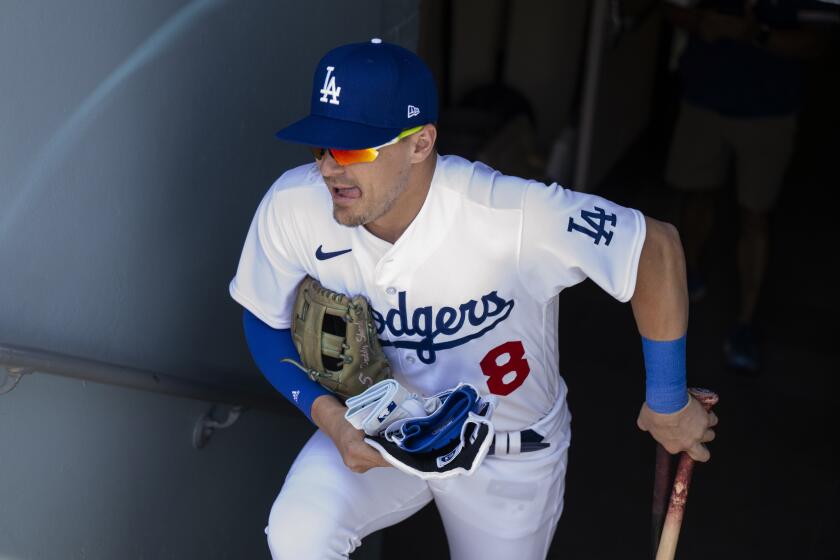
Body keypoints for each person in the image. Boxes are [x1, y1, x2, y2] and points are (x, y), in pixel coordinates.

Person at [229, 38, 717, 560]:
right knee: (298, 535)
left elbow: (655, 248)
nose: (328, 168)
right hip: (384, 430)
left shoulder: (511, 215)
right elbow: (263, 318)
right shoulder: (295, 205)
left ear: (421, 143)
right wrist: (330, 418)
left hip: (507, 454)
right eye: (320, 147)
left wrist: (667, 400)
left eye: (352, 149)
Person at [663, 0, 830, 373]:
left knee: (755, 215)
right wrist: (703, 21)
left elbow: (819, 41)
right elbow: (669, 9)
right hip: (705, 96)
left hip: (770, 108)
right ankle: (687, 275)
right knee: (696, 194)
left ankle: (745, 323)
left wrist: (757, 34)